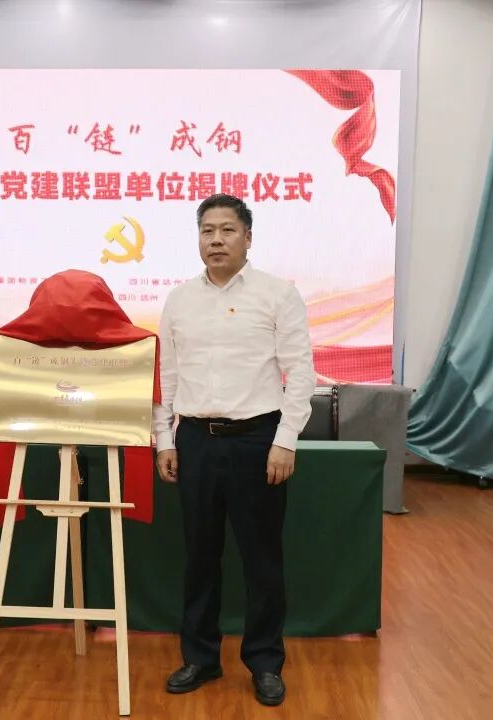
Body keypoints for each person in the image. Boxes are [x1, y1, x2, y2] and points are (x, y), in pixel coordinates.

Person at [153, 193, 315, 707]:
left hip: (257, 440)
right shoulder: (179, 299)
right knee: (200, 557)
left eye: (227, 230)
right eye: (207, 231)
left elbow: (300, 373)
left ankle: (265, 662)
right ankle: (200, 657)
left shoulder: (277, 294)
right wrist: (165, 438)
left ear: (248, 237)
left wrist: (285, 440)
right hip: (196, 440)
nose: (216, 240)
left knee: (261, 559)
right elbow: (167, 376)